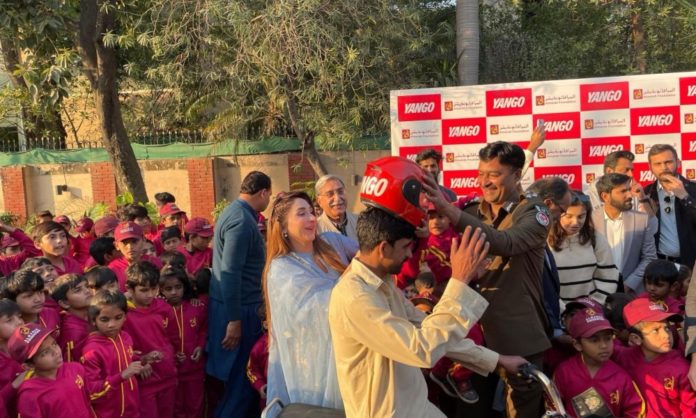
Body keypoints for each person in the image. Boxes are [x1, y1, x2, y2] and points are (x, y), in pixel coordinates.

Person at [329, 206, 526, 418]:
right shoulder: (355, 297)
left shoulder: (382, 284)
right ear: (384, 248)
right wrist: (459, 280)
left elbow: (430, 329)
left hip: (414, 407)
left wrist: (496, 360)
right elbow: (422, 349)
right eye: (405, 247)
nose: (409, 254)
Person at [422, 142, 561, 417]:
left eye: (494, 174)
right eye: (481, 173)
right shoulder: (471, 210)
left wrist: (451, 213)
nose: (485, 181)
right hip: (470, 337)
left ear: (517, 175)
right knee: (471, 411)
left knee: (521, 412)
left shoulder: (535, 213)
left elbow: (505, 242)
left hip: (519, 336)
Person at [263, 191, 346, 414]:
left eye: (312, 212)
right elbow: (318, 307)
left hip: (344, 353)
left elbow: (369, 256)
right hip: (310, 364)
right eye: (301, 213)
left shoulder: (330, 245)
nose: (311, 218)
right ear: (282, 227)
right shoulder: (281, 268)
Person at [208, 170, 271, 417]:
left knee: (239, 383)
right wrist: (234, 320)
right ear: (263, 192)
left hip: (235, 305)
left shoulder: (234, 211)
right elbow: (230, 271)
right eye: (269, 196)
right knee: (240, 380)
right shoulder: (242, 222)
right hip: (239, 309)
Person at [553, 307, 644, 417]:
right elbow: (553, 405)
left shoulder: (621, 377)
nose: (604, 346)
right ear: (577, 344)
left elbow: (636, 410)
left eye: (608, 338)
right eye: (594, 340)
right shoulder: (564, 372)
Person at [614, 298, 696, 417]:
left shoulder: (682, 368)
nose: (666, 335)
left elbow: (691, 411)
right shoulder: (623, 357)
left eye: (667, 328)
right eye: (655, 330)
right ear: (636, 339)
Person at [122, 261, 176, 418]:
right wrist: (138, 360)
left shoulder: (164, 308)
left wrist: (174, 356)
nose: (150, 295)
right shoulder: (122, 313)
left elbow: (171, 338)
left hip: (167, 375)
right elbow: (120, 345)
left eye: (154, 289)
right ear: (129, 289)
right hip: (143, 379)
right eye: (144, 290)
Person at [80, 290, 144, 418]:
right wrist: (121, 376)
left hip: (132, 409)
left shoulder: (125, 337)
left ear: (125, 316)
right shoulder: (91, 350)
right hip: (107, 413)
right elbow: (92, 392)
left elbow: (125, 360)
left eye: (118, 318)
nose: (112, 324)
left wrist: (144, 359)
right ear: (93, 321)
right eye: (104, 319)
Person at [8, 323, 95, 417]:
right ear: (29, 366)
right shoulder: (30, 395)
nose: (56, 352)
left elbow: (88, 404)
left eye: (54, 344)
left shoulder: (76, 369)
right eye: (45, 352)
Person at [548, 191, 619, 305]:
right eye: (568, 216)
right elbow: (542, 284)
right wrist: (562, 310)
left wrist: (592, 305)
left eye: (581, 216)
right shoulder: (544, 240)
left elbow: (608, 276)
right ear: (557, 213)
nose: (575, 222)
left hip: (589, 312)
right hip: (555, 312)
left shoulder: (596, 238)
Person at [592, 173, 657, 294]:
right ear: (605, 196)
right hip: (597, 292)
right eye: (623, 191)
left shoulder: (641, 219)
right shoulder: (590, 220)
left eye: (629, 190)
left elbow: (649, 257)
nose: (630, 195)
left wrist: (629, 284)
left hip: (632, 293)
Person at [159, 265, 207, 418]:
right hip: (170, 372)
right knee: (176, 407)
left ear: (185, 287)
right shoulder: (158, 312)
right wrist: (171, 356)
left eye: (178, 287)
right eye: (168, 288)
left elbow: (203, 330)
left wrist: (200, 347)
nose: (174, 292)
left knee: (195, 405)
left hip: (194, 368)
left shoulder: (196, 308)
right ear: (160, 290)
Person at [644, 144, 696, 270]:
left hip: (691, 266)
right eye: (658, 164)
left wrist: (684, 197)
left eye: (668, 162)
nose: (664, 167)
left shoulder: (694, 189)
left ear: (678, 163)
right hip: (659, 266)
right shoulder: (646, 193)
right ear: (650, 167)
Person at [587, 150, 654, 216]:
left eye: (631, 170)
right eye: (626, 170)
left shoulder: (633, 189)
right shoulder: (594, 189)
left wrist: (642, 198)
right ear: (609, 171)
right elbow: (602, 219)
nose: (631, 175)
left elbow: (649, 222)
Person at [107, 221, 162, 291]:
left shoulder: (154, 262)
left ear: (144, 240)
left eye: (134, 241)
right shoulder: (112, 269)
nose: (130, 247)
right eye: (124, 243)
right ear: (116, 245)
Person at [1, 269, 60, 333]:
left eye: (40, 292)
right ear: (12, 300)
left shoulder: (51, 313)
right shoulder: (10, 327)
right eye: (29, 296)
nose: (38, 299)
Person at [52, 274, 92, 362]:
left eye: (87, 286)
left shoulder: (92, 315)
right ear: (64, 303)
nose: (87, 291)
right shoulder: (72, 332)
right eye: (78, 290)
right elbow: (72, 365)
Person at [315, 174, 359, 241]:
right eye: (330, 194)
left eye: (340, 192)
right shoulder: (316, 230)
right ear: (319, 201)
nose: (337, 198)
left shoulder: (359, 221)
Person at [0, 300, 24, 418]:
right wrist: (16, 383)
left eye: (19, 317)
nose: (19, 322)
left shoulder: (27, 346)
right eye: (9, 320)